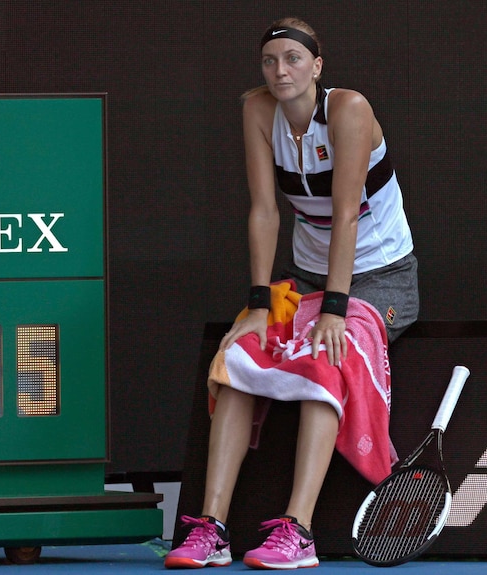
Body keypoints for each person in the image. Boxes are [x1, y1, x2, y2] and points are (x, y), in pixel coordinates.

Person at [165, 17, 418, 570]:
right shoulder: (257, 111)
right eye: (270, 61)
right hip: (303, 277)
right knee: (235, 359)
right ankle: (212, 528)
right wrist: (259, 304)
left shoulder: (349, 109)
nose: (281, 71)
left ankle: (298, 532)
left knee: (327, 356)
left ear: (317, 66)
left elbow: (347, 213)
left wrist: (334, 307)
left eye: (293, 59)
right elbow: (264, 210)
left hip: (379, 277)